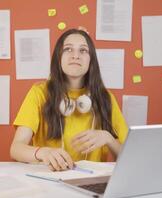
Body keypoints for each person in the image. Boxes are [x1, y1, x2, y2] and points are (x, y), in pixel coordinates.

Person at [10, 28, 128, 171]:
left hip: (90, 180)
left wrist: (108, 138)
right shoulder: (39, 93)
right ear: (58, 58)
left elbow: (129, 156)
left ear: (91, 60)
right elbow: (16, 148)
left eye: (83, 50)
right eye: (68, 49)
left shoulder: (106, 98)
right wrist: (43, 152)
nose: (75, 56)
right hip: (49, 178)